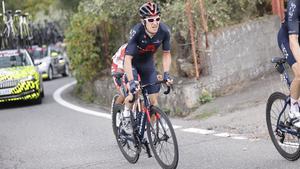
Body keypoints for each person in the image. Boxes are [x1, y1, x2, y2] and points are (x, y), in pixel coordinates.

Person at [121, 2, 173, 134]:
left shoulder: (164, 31)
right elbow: (127, 59)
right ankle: (126, 116)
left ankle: (146, 131)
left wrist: (166, 73)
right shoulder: (137, 31)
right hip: (132, 64)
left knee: (153, 101)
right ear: (143, 21)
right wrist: (132, 81)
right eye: (150, 20)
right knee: (134, 93)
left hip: (147, 64)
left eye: (157, 19)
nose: (155, 23)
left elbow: (166, 54)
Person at [278, 0, 300, 127]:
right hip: (287, 39)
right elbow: (293, 40)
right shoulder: (294, 3)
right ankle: (293, 109)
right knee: (299, 72)